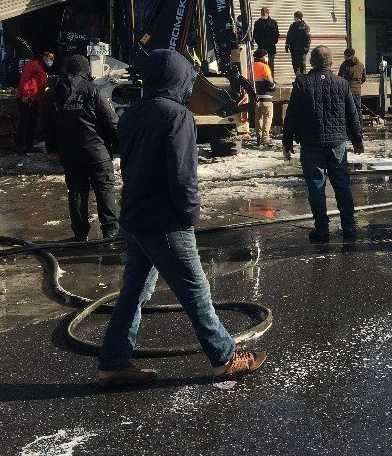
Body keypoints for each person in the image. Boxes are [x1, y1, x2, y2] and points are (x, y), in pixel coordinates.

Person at [96, 49, 265, 388]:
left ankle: (112, 365)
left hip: (136, 216)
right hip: (166, 220)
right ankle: (224, 358)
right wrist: (189, 214)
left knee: (133, 293)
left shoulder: (132, 113)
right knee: (196, 291)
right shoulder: (177, 115)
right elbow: (183, 174)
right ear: (180, 79)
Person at [282, 45, 364, 243]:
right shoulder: (342, 83)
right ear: (332, 62)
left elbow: (291, 115)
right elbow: (352, 115)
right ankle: (349, 227)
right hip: (337, 143)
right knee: (342, 186)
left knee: (316, 188)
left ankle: (322, 230)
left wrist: (287, 141)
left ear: (311, 62)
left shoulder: (302, 83)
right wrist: (357, 139)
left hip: (311, 143)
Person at [43, 54, 120, 242]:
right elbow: (111, 122)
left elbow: (47, 125)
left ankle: (80, 234)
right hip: (97, 153)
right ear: (85, 70)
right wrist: (121, 146)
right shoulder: (94, 90)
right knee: (104, 189)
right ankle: (110, 232)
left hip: (70, 154)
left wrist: (52, 149)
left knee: (76, 192)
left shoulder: (53, 93)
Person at [15, 51, 53, 153]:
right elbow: (25, 79)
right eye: (49, 58)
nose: (51, 61)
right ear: (44, 57)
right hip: (26, 97)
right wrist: (25, 95)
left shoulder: (42, 68)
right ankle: (19, 146)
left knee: (32, 123)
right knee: (24, 122)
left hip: (35, 98)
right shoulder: (33, 64)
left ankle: (29, 145)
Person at [252, 49, 276, 145]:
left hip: (256, 97)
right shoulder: (264, 67)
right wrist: (274, 87)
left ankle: (258, 137)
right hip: (266, 97)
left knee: (258, 117)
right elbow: (269, 82)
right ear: (262, 57)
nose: (266, 58)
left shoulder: (250, 66)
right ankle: (265, 137)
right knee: (267, 117)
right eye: (265, 56)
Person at [252, 7, 280, 75]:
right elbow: (255, 34)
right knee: (261, 64)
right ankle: (262, 78)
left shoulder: (273, 22)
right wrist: (259, 42)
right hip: (261, 47)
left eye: (264, 13)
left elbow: (276, 34)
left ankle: (271, 78)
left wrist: (273, 42)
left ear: (268, 13)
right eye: (262, 13)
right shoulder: (258, 23)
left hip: (271, 47)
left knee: (270, 64)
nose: (263, 14)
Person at [337, 46, 366, 112]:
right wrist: (358, 85)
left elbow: (340, 78)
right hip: (357, 90)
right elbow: (364, 78)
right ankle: (359, 119)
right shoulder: (361, 65)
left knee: (348, 110)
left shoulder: (345, 65)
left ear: (347, 55)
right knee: (358, 109)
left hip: (348, 90)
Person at [284, 10, 311, 77]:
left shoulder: (305, 26)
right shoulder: (292, 26)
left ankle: (303, 78)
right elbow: (289, 36)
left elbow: (308, 38)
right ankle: (297, 77)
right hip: (293, 49)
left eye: (295, 17)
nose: (294, 18)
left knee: (302, 64)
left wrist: (306, 48)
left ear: (298, 17)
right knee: (295, 64)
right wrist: (287, 45)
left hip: (301, 49)